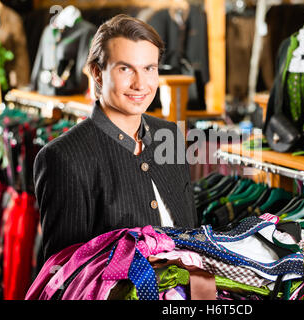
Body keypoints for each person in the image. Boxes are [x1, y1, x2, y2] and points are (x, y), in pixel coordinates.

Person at [33, 14, 197, 269]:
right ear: (98, 73)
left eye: (149, 68)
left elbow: (190, 234)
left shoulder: (172, 136)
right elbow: (64, 277)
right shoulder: (63, 157)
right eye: (125, 68)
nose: (140, 84)